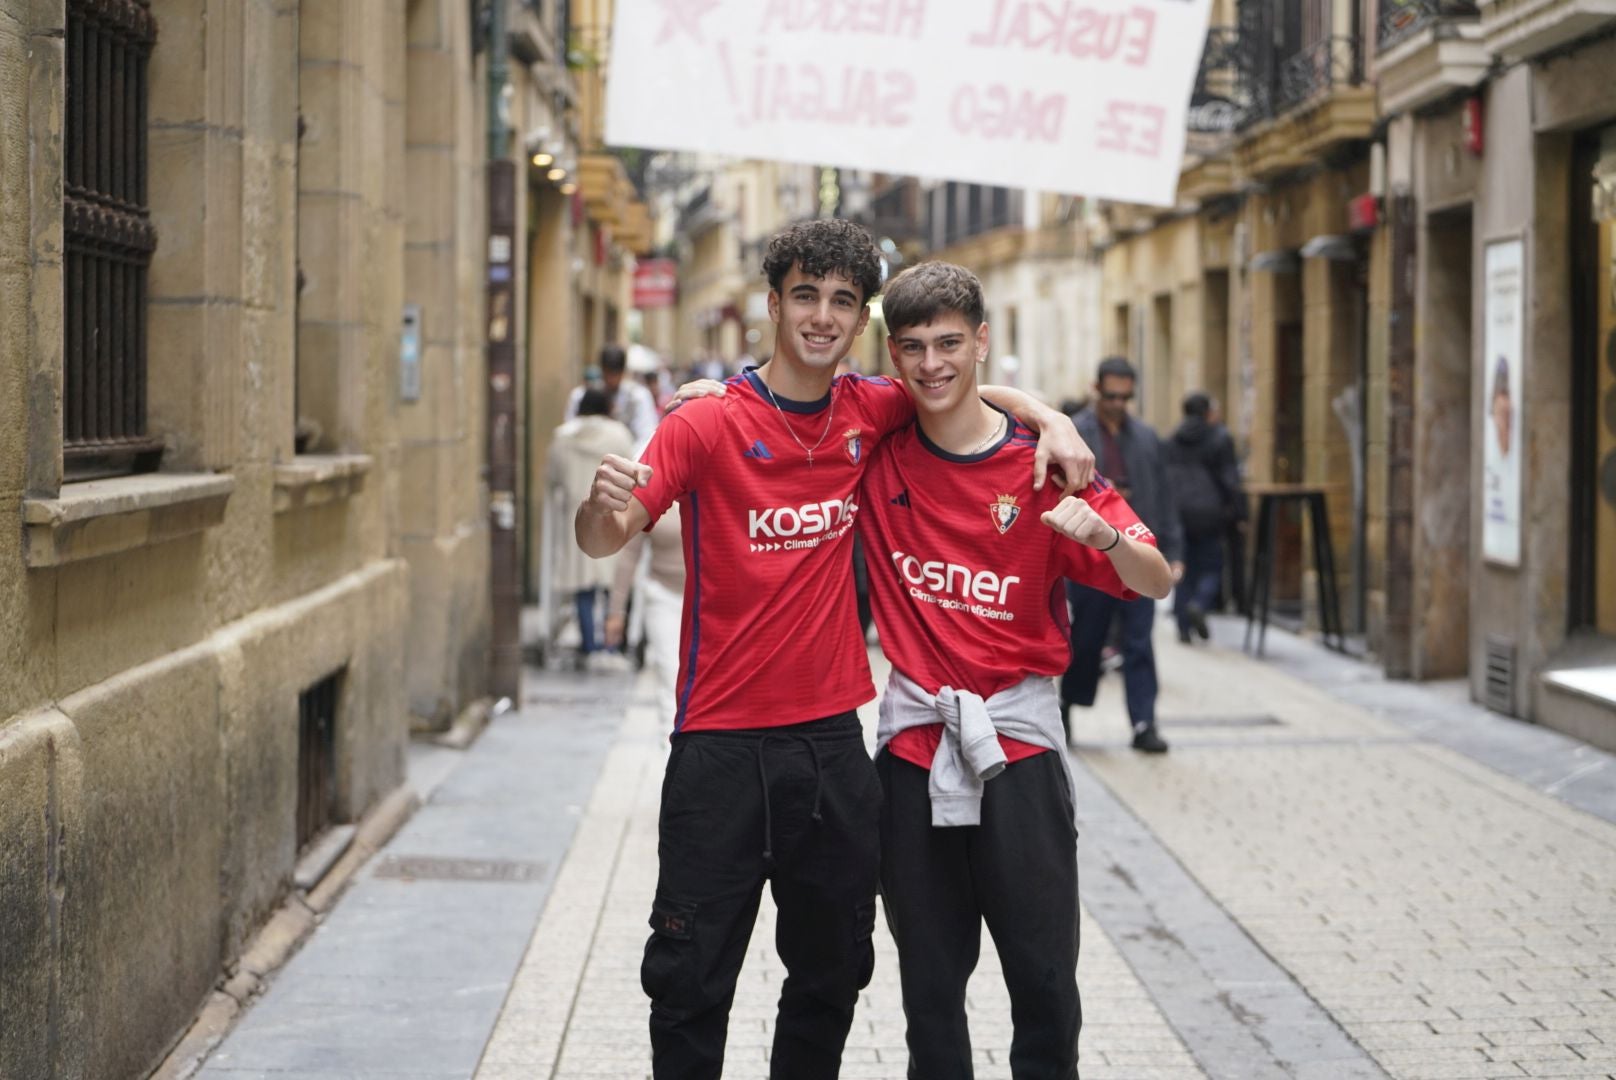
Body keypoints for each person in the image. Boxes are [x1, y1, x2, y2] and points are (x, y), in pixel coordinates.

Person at [574, 218, 1094, 1080]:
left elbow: (957, 387)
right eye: (805, 296)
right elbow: (607, 537)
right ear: (773, 305)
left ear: (860, 322)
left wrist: (1052, 418)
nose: (822, 316)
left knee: (830, 976)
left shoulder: (870, 408)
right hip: (718, 747)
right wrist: (599, 509)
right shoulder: (705, 423)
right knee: (690, 982)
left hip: (829, 747)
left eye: (843, 301)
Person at [861, 262, 1172, 1079]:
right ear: (894, 355)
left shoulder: (1045, 467)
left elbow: (1155, 579)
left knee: (1045, 988)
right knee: (929, 995)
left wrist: (1105, 537)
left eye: (950, 344)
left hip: (1020, 753)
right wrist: (710, 397)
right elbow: (793, 404)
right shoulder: (878, 450)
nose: (932, 364)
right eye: (914, 347)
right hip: (912, 755)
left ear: (982, 342)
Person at [1063, 356, 1184, 753]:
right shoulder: (1073, 433)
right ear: (1097, 389)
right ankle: (1067, 706)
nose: (1117, 404)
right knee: (1085, 640)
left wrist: (1173, 552)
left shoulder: (1147, 438)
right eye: (1111, 396)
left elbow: (1165, 497)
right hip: (1090, 558)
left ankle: (1144, 722)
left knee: (1139, 641)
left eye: (1125, 397)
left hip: (1138, 551)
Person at [548, 388, 634, 667]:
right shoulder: (619, 435)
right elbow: (633, 473)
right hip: (612, 515)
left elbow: (553, 478)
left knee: (582, 584)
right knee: (612, 582)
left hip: (577, 518)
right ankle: (610, 645)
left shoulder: (562, 439)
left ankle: (589, 645)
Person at [1165, 391, 1246, 643]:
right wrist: (1240, 512)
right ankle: (1200, 603)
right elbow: (1230, 477)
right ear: (1208, 412)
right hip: (1210, 510)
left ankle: (1183, 625)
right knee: (1212, 565)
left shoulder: (1173, 439)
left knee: (1183, 566)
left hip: (1178, 509)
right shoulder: (1219, 437)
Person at [607, 498, 684, 730]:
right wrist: (616, 612)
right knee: (671, 675)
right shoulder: (656, 491)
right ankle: (669, 746)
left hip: (707, 599)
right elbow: (629, 556)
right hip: (663, 597)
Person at [568, 343, 658, 445]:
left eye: (615, 374)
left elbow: (645, 435)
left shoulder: (638, 396)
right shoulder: (582, 395)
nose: (611, 379)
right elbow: (572, 429)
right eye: (608, 373)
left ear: (623, 372)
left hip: (627, 451)